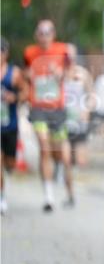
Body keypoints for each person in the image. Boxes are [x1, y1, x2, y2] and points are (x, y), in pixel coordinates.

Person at [23, 20, 74, 211]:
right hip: (38, 108)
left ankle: (69, 191)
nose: (44, 36)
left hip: (57, 109)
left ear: (54, 34)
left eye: (48, 32)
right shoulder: (30, 53)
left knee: (62, 156)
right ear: (36, 35)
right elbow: (25, 74)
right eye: (41, 33)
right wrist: (28, 76)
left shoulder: (62, 50)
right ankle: (48, 196)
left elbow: (70, 75)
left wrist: (59, 73)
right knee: (44, 148)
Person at [1, 38, 26, 215]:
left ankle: (9, 168)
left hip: (10, 125)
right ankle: (2, 197)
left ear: (6, 53)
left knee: (10, 164)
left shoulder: (15, 73)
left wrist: (15, 98)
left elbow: (26, 92)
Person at [64, 44, 95, 167]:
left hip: (79, 120)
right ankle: (63, 174)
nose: (68, 58)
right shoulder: (59, 74)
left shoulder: (83, 74)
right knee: (65, 157)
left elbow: (92, 96)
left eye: (71, 55)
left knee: (81, 159)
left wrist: (87, 110)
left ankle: (76, 174)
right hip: (63, 120)